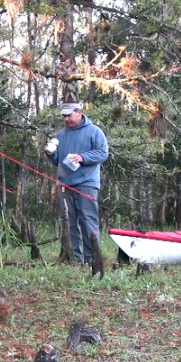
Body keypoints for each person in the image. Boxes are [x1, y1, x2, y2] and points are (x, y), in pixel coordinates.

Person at [44, 102, 109, 264]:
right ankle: (74, 258)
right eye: (64, 116)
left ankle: (92, 257)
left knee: (88, 220)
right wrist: (50, 154)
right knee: (69, 221)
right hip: (65, 185)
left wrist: (83, 157)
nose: (66, 119)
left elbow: (103, 153)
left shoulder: (94, 132)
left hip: (87, 184)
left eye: (69, 115)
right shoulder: (59, 135)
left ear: (79, 113)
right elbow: (57, 160)